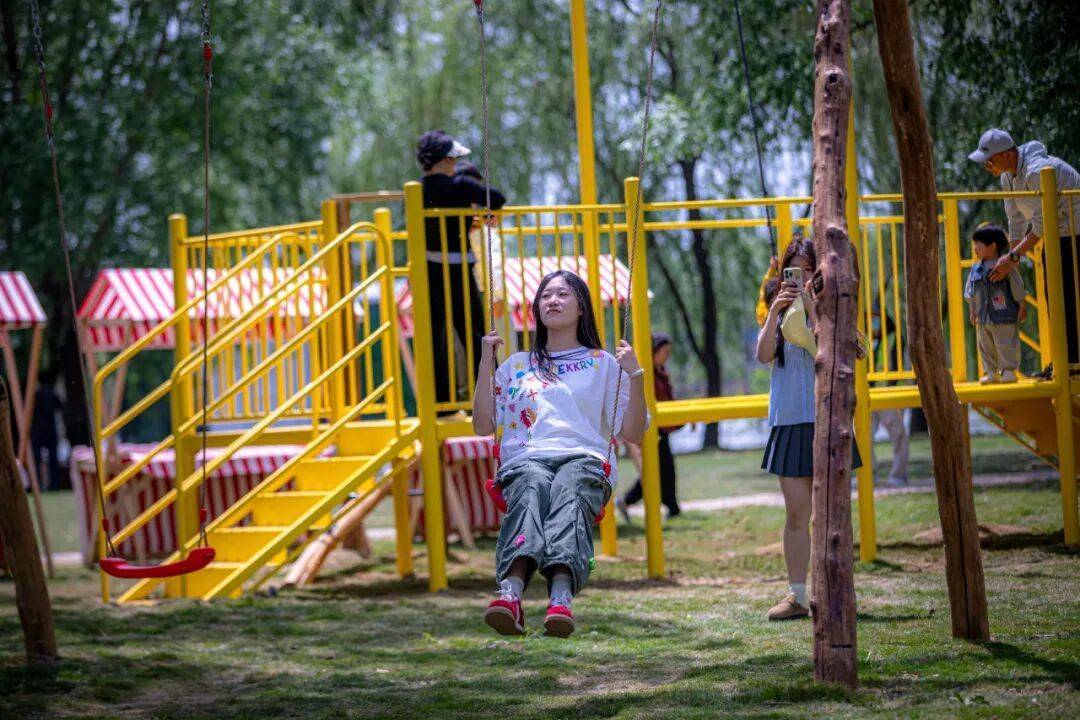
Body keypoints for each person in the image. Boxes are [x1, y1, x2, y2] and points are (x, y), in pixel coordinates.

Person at [472, 270, 648, 637]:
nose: (552, 300)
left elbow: (632, 432)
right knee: (531, 486)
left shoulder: (603, 363)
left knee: (569, 490)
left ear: (581, 307)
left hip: (585, 459)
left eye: (563, 294)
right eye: (545, 295)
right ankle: (510, 595)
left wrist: (636, 376)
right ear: (536, 308)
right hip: (527, 459)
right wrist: (486, 361)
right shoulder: (516, 365)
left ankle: (561, 599)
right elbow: (483, 424)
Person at [756, 237, 861, 622]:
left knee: (834, 514)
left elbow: (833, 347)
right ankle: (798, 595)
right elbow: (763, 355)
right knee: (797, 515)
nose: (799, 277)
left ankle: (838, 592)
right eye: (793, 269)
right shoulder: (776, 303)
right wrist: (775, 310)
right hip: (789, 419)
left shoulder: (834, 303)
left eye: (806, 269)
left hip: (829, 418)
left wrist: (813, 306)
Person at [969, 129, 1080, 371]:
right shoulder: (1007, 177)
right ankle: (1067, 362)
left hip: (1075, 233)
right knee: (1057, 301)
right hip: (1058, 235)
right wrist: (1012, 259)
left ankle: (1072, 364)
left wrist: (1014, 256)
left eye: (990, 160)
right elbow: (1016, 220)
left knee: (1070, 301)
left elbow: (1041, 223)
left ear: (1007, 155)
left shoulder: (1036, 172)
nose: (987, 165)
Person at [417, 130, 507, 413]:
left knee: (435, 338)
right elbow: (497, 197)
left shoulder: (417, 189)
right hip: (458, 270)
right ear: (446, 160)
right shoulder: (461, 185)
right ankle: (492, 397)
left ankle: (441, 404)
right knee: (476, 334)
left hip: (428, 270)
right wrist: (477, 212)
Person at [618, 332, 681, 521]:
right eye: (664, 352)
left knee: (662, 470)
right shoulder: (646, 374)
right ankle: (629, 500)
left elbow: (668, 399)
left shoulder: (662, 372)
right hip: (652, 427)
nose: (667, 356)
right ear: (654, 351)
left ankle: (669, 505)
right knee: (657, 471)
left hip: (662, 427)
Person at [965, 222, 1027, 384]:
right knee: (985, 345)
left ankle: (1008, 370)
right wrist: (973, 310)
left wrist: (1021, 304)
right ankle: (990, 371)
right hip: (983, 317)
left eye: (978, 245)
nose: (975, 248)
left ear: (992, 246)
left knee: (1006, 342)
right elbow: (971, 292)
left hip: (1004, 313)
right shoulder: (975, 270)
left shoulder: (1006, 266)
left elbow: (1017, 285)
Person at [868, 302, 909, 487]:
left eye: (877, 317)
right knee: (864, 436)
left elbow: (898, 364)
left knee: (898, 434)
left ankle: (898, 475)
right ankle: (868, 473)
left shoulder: (893, 338)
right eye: (871, 318)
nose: (874, 321)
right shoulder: (864, 337)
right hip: (867, 394)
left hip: (887, 393)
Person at [31, 369, 64, 491]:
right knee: (53, 459)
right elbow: (60, 407)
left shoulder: (35, 395)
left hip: (38, 430)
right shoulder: (51, 393)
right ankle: (53, 484)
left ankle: (37, 483)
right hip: (50, 429)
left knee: (37, 459)